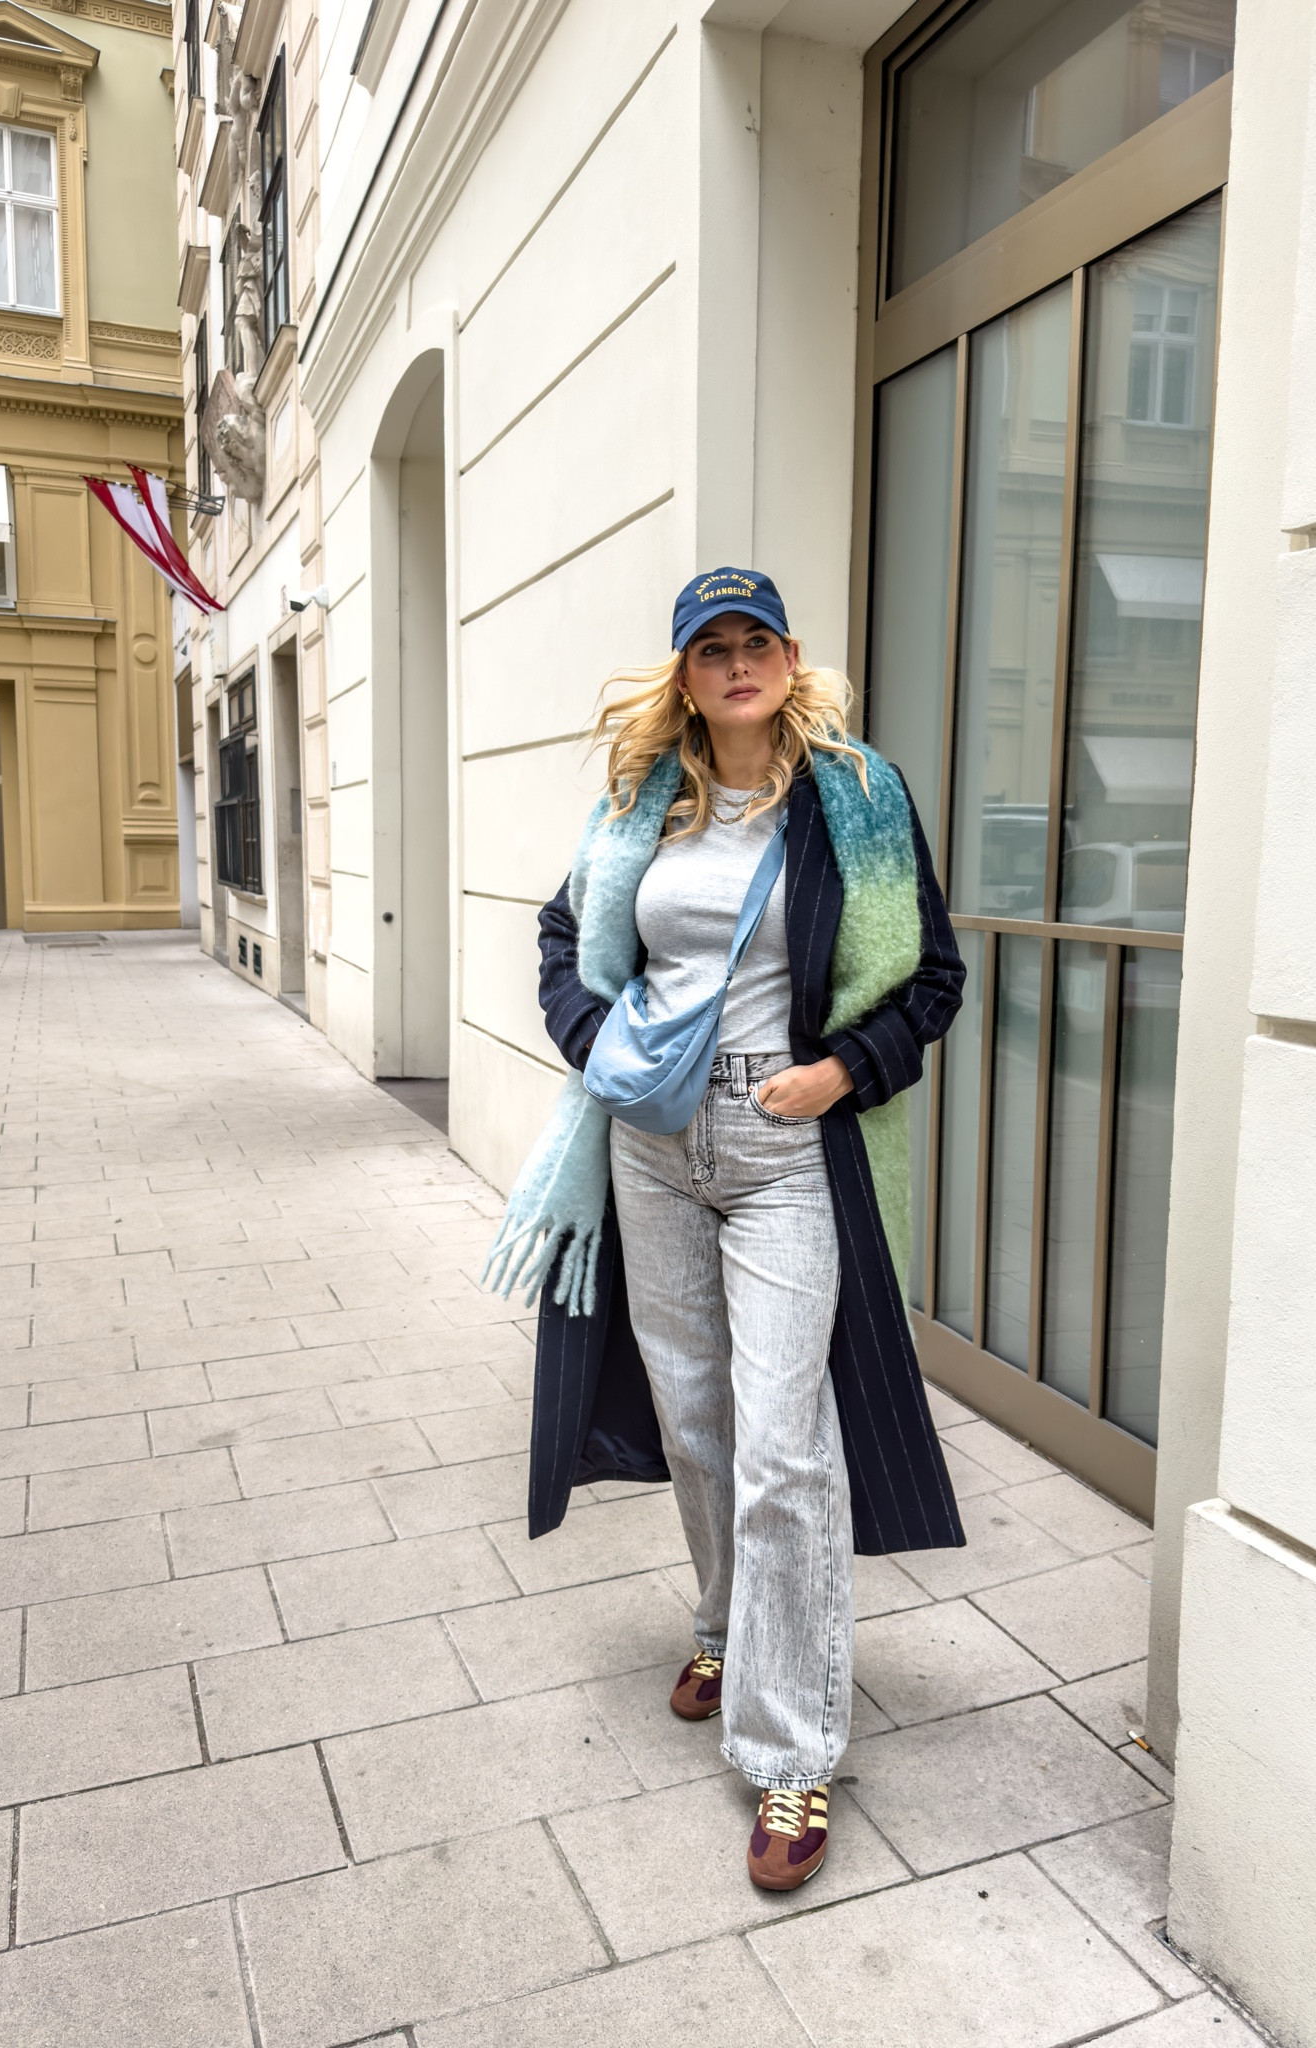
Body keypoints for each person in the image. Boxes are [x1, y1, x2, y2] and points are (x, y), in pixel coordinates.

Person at [484, 567, 967, 1892]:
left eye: (757, 641)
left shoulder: (855, 801)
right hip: (651, 1141)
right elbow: (562, 939)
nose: (737, 662)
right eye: (713, 647)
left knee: (782, 1442)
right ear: (687, 673)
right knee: (696, 1422)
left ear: (790, 660)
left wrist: (838, 1074)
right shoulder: (644, 800)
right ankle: (727, 1621)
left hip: (783, 1141)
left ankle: (796, 1752)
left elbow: (932, 976)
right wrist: (598, 1042)